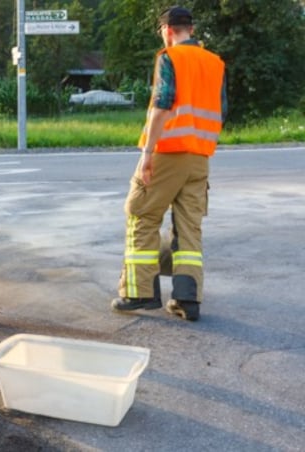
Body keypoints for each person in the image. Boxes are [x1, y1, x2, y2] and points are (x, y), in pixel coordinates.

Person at [111, 6, 227, 321]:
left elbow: (162, 103)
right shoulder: (215, 63)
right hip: (200, 157)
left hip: (169, 150)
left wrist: (147, 153)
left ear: (168, 29)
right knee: (189, 226)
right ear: (191, 28)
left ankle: (139, 292)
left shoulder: (170, 58)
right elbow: (223, 111)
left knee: (141, 214)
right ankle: (188, 300)